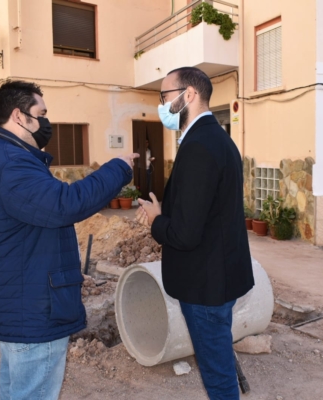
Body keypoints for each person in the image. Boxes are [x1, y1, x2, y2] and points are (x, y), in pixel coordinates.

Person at [0, 80, 138, 400]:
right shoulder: (12, 163)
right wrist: (119, 169)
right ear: (19, 116)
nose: (46, 121)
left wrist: (69, 273)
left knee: (16, 389)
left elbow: (29, 229)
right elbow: (64, 205)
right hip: (29, 307)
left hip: (15, 294)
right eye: (40, 113)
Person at [136, 67, 254, 399]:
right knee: (218, 364)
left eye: (164, 96)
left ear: (189, 95)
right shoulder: (216, 139)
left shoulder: (200, 146)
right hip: (218, 276)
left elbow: (186, 233)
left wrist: (157, 219)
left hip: (205, 284)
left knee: (217, 375)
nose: (161, 105)